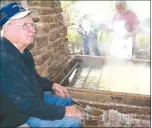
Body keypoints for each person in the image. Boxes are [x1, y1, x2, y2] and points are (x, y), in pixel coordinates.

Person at [0, 2, 83, 127]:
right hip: (20, 114)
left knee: (67, 100)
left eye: (32, 24)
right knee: (74, 122)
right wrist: (64, 112)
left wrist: (53, 85)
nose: (32, 29)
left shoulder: (23, 51)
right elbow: (26, 104)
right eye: (25, 25)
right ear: (7, 28)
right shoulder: (4, 59)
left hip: (32, 98)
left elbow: (34, 78)